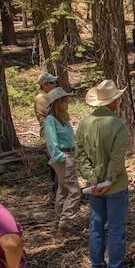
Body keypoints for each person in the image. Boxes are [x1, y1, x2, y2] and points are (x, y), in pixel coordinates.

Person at [75, 79, 130, 268]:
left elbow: (80, 154)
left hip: (95, 186)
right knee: (115, 227)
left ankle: (97, 265)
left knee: (96, 224)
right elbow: (117, 159)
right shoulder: (118, 125)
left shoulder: (84, 124)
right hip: (115, 186)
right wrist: (107, 180)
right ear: (113, 102)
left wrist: (92, 179)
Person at [43, 87, 81, 231]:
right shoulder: (51, 120)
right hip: (63, 157)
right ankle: (66, 220)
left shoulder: (63, 119)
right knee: (74, 190)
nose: (67, 104)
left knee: (63, 190)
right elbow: (52, 143)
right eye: (64, 101)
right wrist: (61, 157)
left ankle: (60, 218)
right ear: (57, 103)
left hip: (70, 154)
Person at [35, 72, 60, 205]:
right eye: (52, 83)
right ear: (45, 85)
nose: (55, 85)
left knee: (56, 169)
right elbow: (53, 115)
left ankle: (56, 197)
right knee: (56, 169)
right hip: (50, 137)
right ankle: (55, 198)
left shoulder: (46, 96)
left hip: (52, 135)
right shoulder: (42, 99)